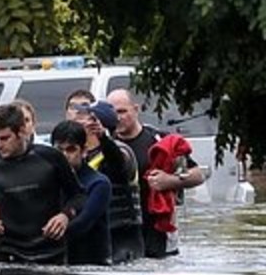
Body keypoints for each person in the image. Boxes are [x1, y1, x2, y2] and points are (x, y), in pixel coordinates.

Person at [0, 104, 85, 263]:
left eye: (5, 138)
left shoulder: (50, 157)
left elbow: (79, 197)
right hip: (10, 254)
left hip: (51, 253)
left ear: (22, 132)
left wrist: (65, 215)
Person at [107, 88, 206, 258]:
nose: (118, 117)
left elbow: (197, 175)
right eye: (113, 113)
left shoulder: (161, 142)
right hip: (121, 232)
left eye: (123, 111)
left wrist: (170, 181)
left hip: (158, 230)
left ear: (136, 109)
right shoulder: (106, 145)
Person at [74, 100, 145, 262]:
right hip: (96, 235)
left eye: (83, 117)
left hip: (123, 238)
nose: (77, 120)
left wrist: (103, 138)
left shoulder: (122, 150)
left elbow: (118, 164)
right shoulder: (80, 155)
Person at [50, 120, 112, 265]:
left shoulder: (99, 183)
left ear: (84, 151)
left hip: (93, 265)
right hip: (60, 259)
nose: (64, 155)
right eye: (59, 150)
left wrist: (42, 238)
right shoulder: (49, 180)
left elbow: (83, 223)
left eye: (71, 150)